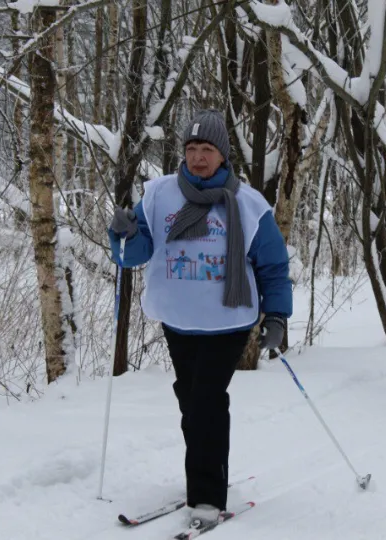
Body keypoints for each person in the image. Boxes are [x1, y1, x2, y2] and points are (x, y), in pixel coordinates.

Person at [107, 110, 292, 525]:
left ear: (223, 155)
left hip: (228, 323)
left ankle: (206, 495)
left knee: (207, 403)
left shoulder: (247, 204)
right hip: (178, 322)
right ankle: (204, 476)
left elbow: (273, 267)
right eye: (191, 149)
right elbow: (136, 255)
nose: (198, 158)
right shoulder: (158, 196)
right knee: (191, 403)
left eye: (206, 149)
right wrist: (124, 232)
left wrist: (277, 315)